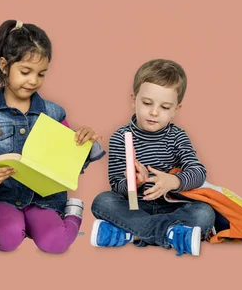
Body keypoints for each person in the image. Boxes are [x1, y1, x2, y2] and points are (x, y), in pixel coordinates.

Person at [0, 20, 105, 253]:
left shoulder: (54, 113)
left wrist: (87, 142)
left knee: (55, 244)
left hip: (45, 199)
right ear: (4, 65)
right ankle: (27, 226)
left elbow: (69, 165)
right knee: (6, 241)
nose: (33, 80)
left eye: (41, 74)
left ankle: (70, 213)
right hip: (6, 197)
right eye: (25, 72)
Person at [90, 59, 215, 256]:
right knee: (103, 202)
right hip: (135, 207)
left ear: (176, 109)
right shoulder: (120, 137)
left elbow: (199, 172)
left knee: (204, 213)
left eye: (165, 107)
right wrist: (135, 183)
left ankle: (131, 235)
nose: (154, 112)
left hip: (172, 206)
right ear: (134, 100)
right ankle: (171, 234)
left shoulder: (177, 136)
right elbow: (116, 186)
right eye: (147, 103)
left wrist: (173, 181)